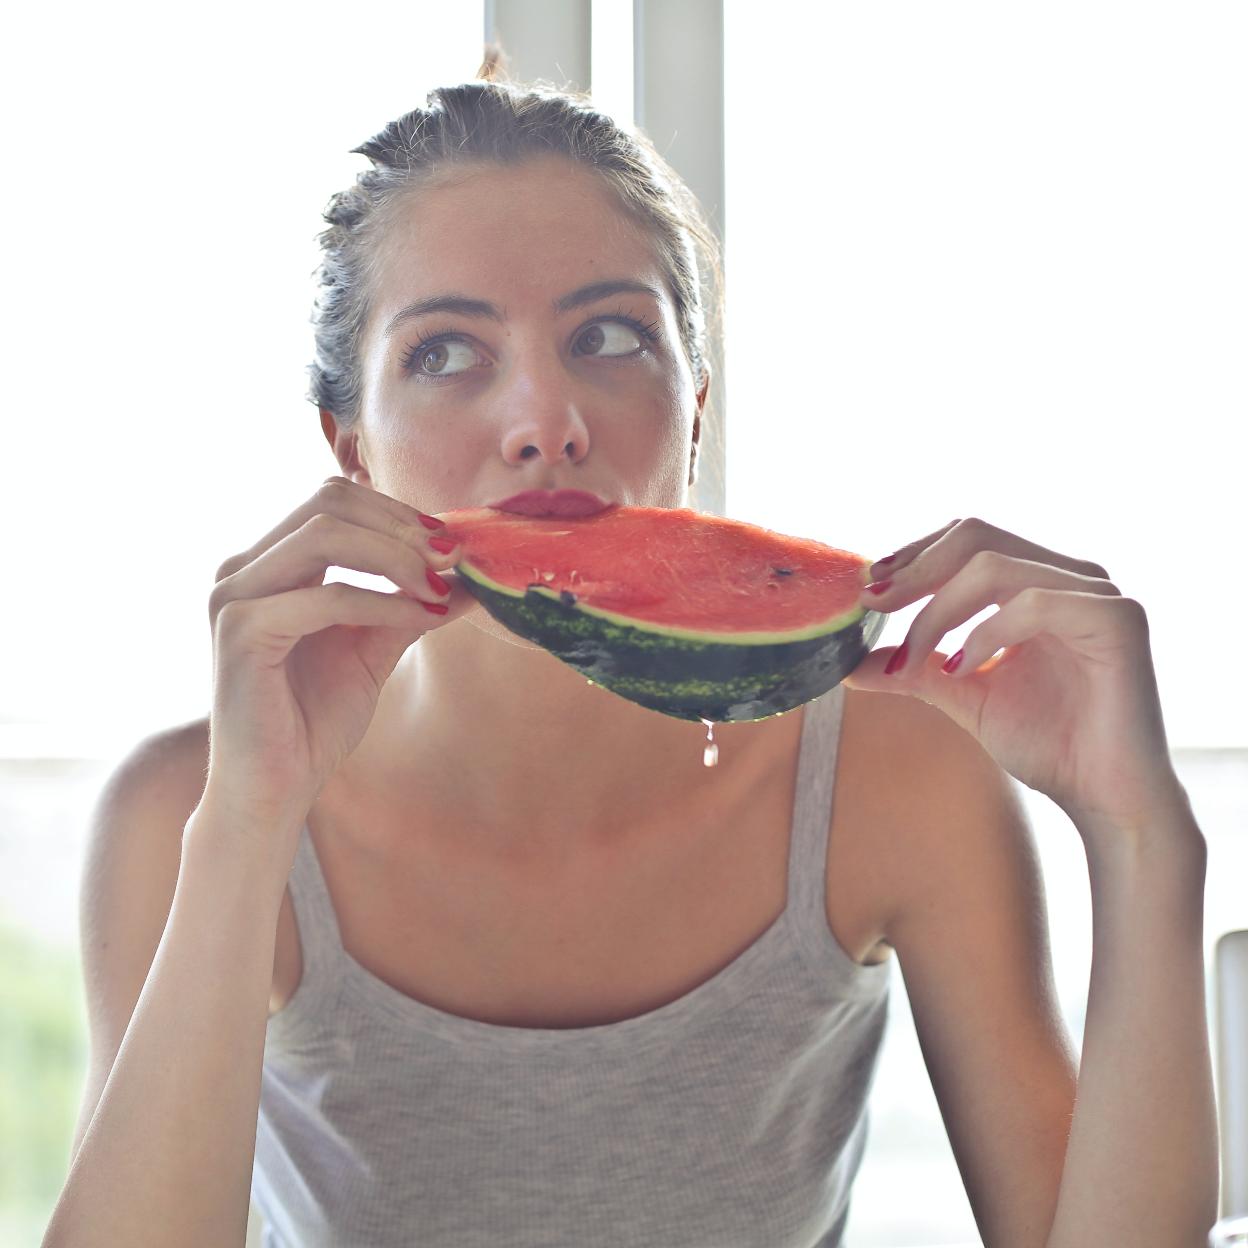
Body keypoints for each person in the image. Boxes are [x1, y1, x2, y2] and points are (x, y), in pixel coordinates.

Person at [44, 73, 1218, 1248]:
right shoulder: (183, 815)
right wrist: (249, 825)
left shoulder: (895, 780)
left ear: (696, 410)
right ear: (349, 448)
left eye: (608, 337)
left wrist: (1142, 836)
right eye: (447, 353)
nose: (545, 418)